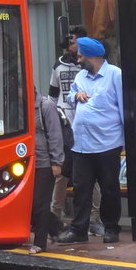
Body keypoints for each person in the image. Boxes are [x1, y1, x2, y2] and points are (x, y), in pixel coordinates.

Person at [58, 37, 124, 245]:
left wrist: (127, 141)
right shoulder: (81, 77)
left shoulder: (115, 75)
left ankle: (111, 228)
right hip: (81, 145)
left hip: (107, 143)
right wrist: (76, 96)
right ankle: (79, 230)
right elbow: (70, 96)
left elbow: (123, 106)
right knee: (81, 189)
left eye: (80, 56)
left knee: (109, 189)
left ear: (92, 56)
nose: (78, 61)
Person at [48, 26, 91, 226]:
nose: (68, 46)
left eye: (71, 42)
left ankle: (93, 218)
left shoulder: (88, 66)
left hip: (84, 126)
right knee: (62, 174)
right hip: (64, 125)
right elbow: (53, 94)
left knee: (90, 175)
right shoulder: (59, 64)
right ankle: (54, 218)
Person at [29, 89, 65, 254]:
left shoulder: (46, 106)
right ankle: (56, 226)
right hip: (26, 161)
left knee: (40, 203)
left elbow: (55, 135)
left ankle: (40, 242)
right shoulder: (18, 106)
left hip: (44, 162)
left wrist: (56, 161)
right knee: (30, 203)